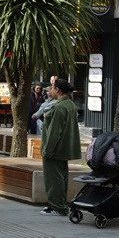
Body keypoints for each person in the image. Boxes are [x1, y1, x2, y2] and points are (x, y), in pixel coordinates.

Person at [39, 78, 80, 216]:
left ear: (58, 90)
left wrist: (47, 150)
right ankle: (60, 204)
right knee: (61, 177)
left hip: (55, 149)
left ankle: (57, 206)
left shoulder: (59, 107)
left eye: (52, 87)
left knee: (53, 179)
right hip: (65, 148)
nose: (50, 89)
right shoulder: (70, 105)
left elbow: (54, 132)